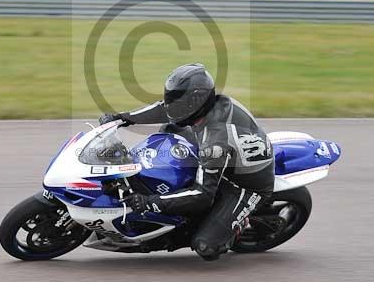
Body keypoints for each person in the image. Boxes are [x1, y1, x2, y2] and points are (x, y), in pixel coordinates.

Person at [99, 63, 274, 261]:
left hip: (244, 185)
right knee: (170, 128)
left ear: (195, 102)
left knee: (206, 247)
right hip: (225, 157)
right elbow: (163, 109)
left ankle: (240, 223)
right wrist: (122, 118)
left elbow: (202, 194)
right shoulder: (205, 108)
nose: (171, 106)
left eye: (178, 102)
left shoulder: (214, 144)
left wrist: (149, 202)